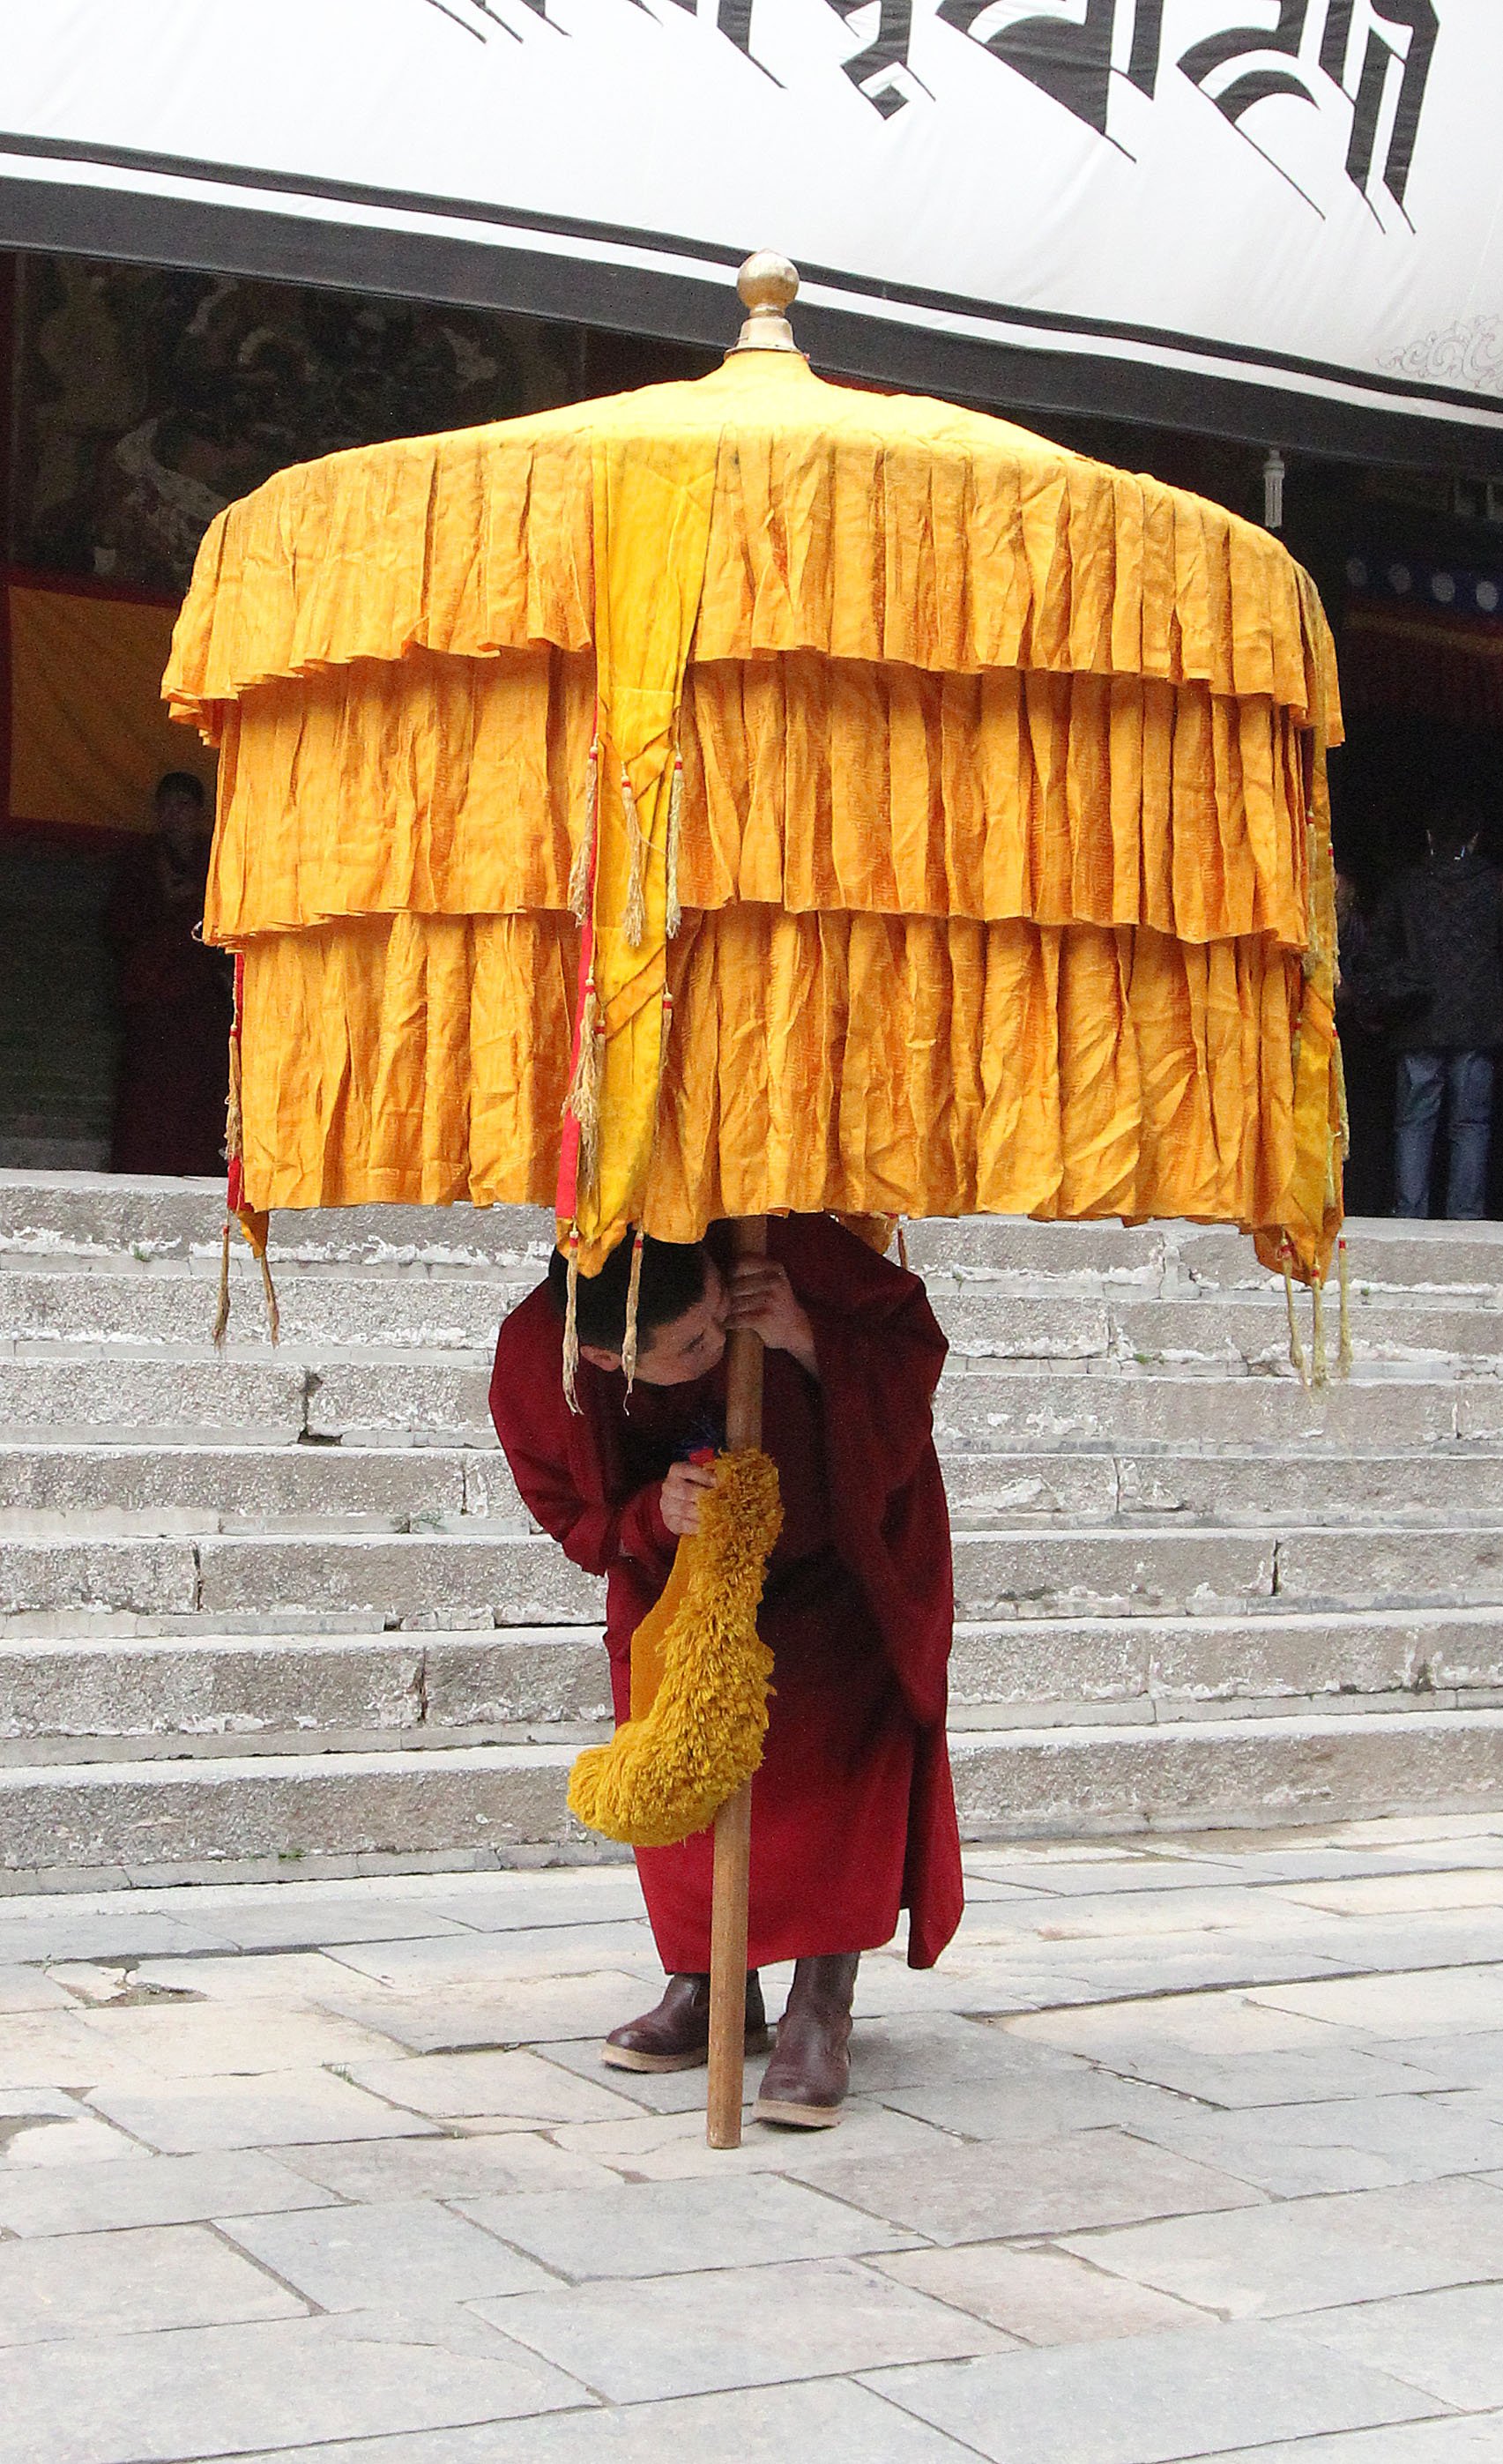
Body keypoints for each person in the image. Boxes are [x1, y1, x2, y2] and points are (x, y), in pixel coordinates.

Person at [488, 1217, 964, 2127]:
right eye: (693, 1347)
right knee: (685, 1769)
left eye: (717, 1323)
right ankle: (709, 1985)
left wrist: (807, 1335)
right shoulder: (532, 1359)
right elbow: (571, 1517)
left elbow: (911, 1352)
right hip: (682, 1582)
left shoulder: (766, 1251)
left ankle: (821, 2006)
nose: (717, 1349)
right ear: (601, 1354)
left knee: (832, 1777)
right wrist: (652, 1514)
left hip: (837, 1563)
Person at [1365, 802, 1503, 1221]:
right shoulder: (1495, 886)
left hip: (1416, 1022)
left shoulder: (1406, 887)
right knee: (1471, 1125)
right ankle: (1466, 1215)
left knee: (1413, 1122)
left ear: (1428, 837)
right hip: (1477, 1024)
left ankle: (1409, 1211)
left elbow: (1377, 953)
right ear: (1475, 838)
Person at [107, 771, 232, 1177]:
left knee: (203, 1090)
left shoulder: (216, 861)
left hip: (203, 998)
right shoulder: (140, 862)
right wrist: (167, 909)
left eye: (182, 806)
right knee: (148, 1093)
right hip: (153, 996)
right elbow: (119, 928)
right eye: (166, 806)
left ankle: (204, 1169)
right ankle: (140, 1169)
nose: (173, 816)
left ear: (199, 813)